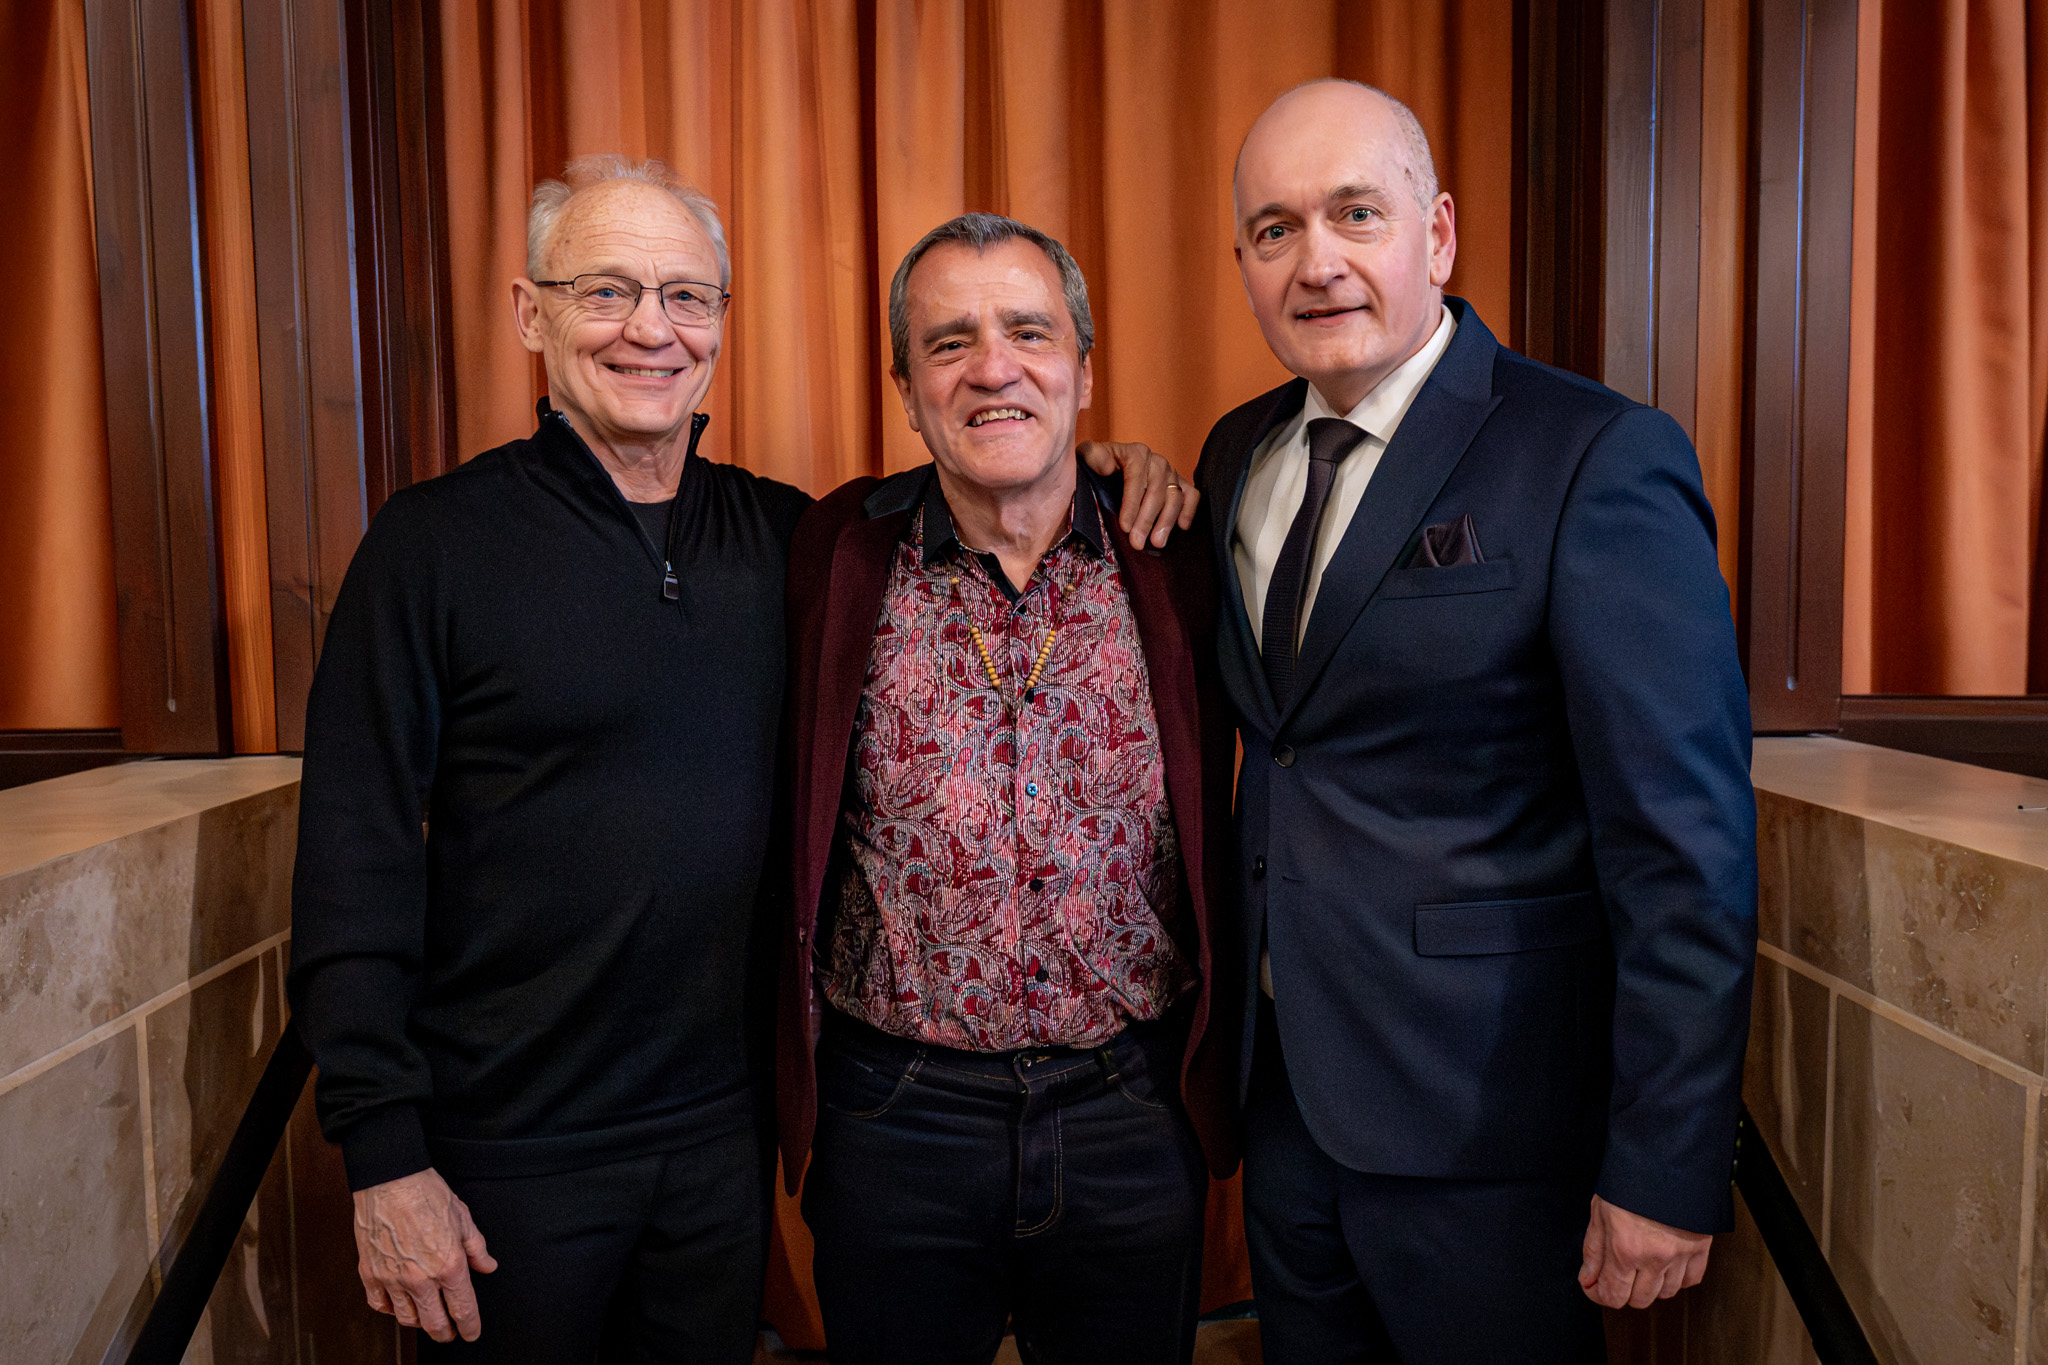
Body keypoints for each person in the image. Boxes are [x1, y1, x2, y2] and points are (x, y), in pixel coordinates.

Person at [288, 158, 1191, 1364]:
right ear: (529, 313)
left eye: (686, 296)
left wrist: (1126, 462)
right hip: (508, 1147)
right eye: (605, 292)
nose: (650, 330)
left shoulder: (788, 539)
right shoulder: (432, 548)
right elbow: (352, 855)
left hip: (724, 1140)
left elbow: (1010, 463)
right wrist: (383, 1150)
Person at [1195, 81, 1758, 1361]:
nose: (1317, 260)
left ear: (1436, 235)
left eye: (1355, 213)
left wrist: (1664, 1163)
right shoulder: (1235, 456)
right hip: (1286, 1109)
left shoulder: (1592, 455)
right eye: (1275, 230)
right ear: (1241, 262)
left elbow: (1683, 848)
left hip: (1495, 1134)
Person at [776, 213, 1241, 1365]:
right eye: (948, 343)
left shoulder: (1178, 552)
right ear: (903, 384)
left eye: (1028, 332)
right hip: (895, 1117)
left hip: (1129, 1107)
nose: (992, 367)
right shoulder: (830, 553)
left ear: (1082, 365)